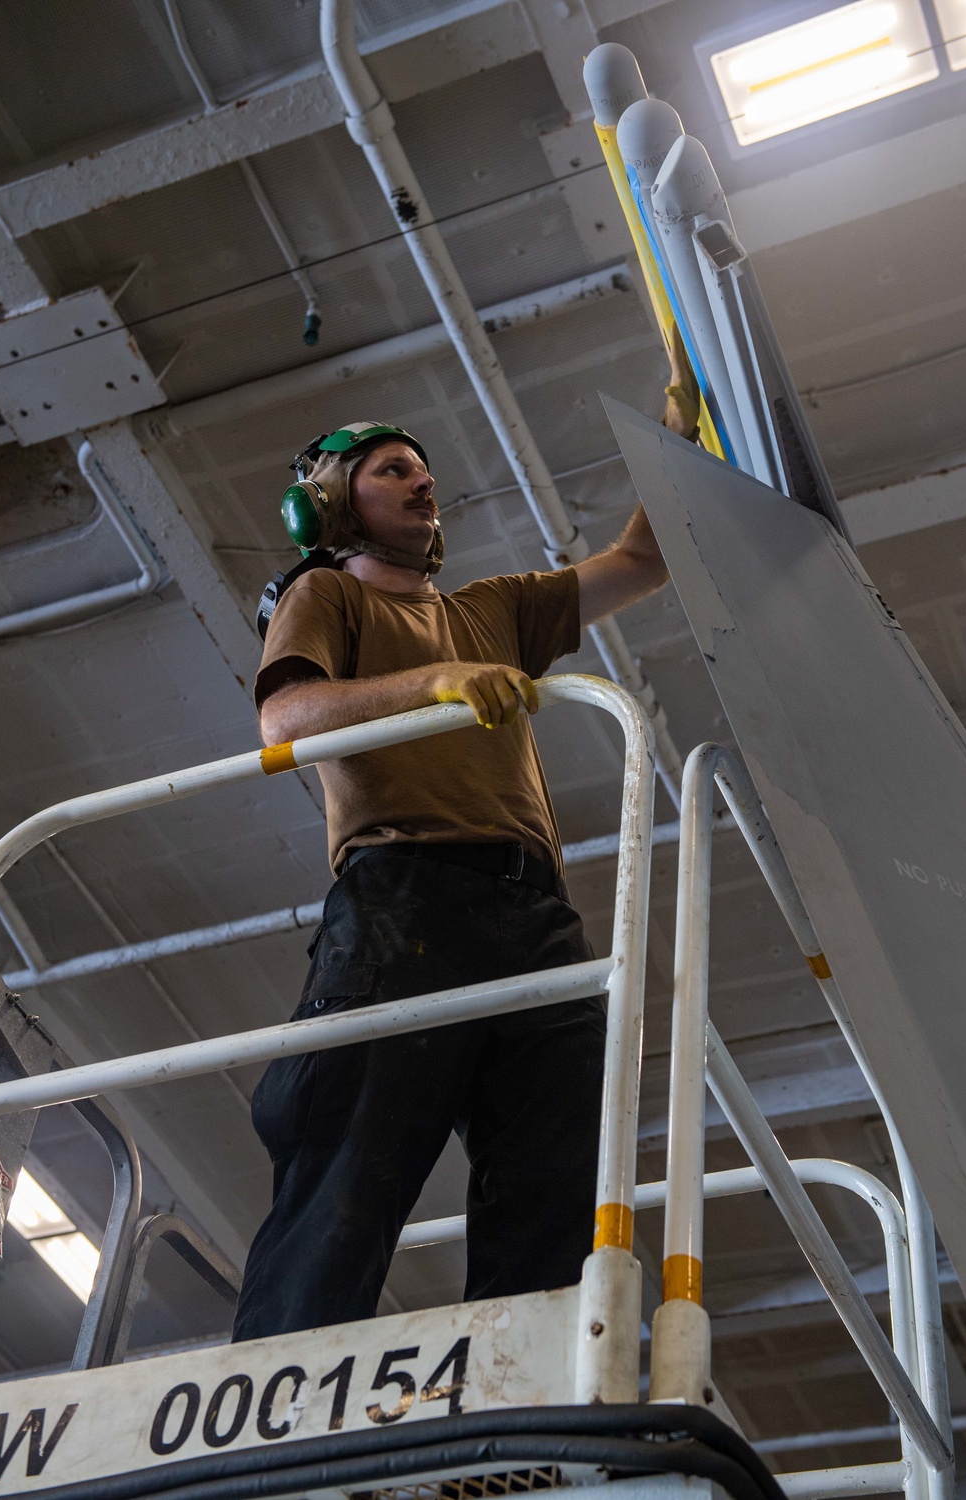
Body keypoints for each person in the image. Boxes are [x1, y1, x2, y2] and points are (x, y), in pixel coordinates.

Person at [233, 364, 697, 1342]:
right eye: (391, 470)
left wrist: (675, 432)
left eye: (422, 469)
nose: (420, 481)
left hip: (529, 909)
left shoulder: (491, 610)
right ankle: (284, 1386)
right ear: (328, 505)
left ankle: (522, 1387)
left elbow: (642, 561)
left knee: (557, 1161)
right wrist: (431, 682)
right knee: (352, 1158)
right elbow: (284, 717)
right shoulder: (326, 595)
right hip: (402, 898)